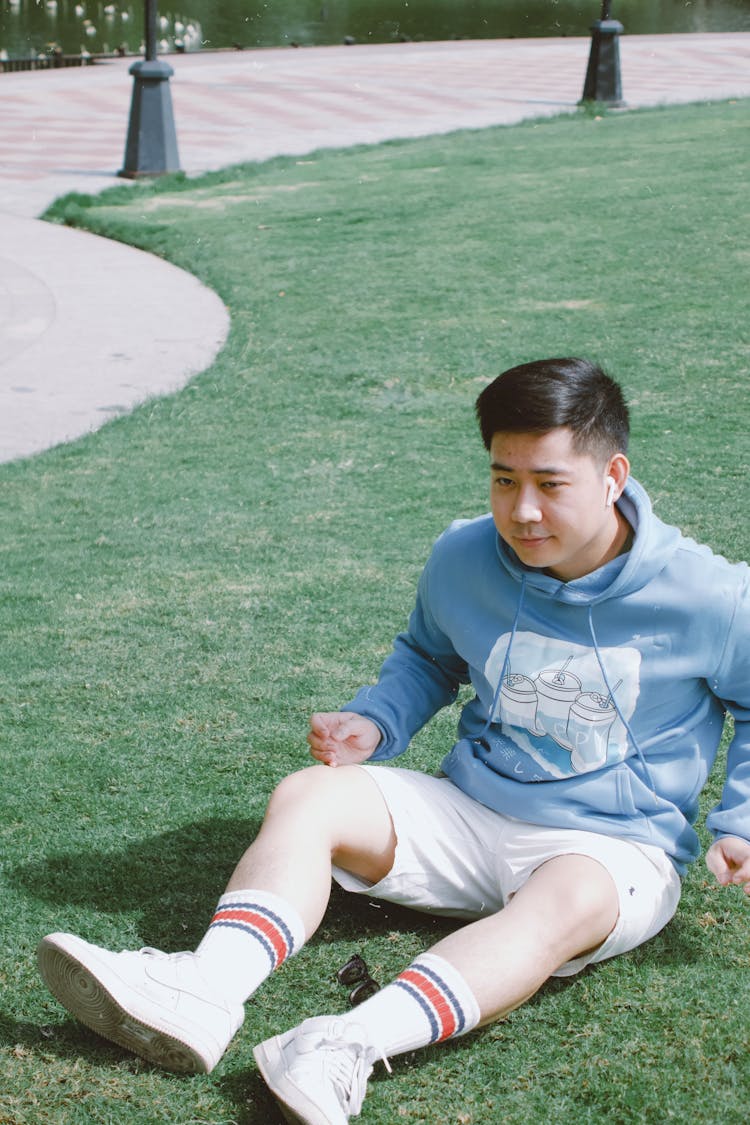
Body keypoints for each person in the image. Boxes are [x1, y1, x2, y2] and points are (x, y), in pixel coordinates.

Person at [37, 357, 750, 1125]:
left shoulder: (709, 594)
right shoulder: (464, 556)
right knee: (310, 795)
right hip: (473, 811)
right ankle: (205, 990)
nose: (523, 510)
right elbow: (427, 657)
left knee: (564, 899)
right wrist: (375, 721)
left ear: (612, 473)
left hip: (612, 849)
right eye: (503, 479)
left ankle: (339, 1045)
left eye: (550, 482)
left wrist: (739, 820)